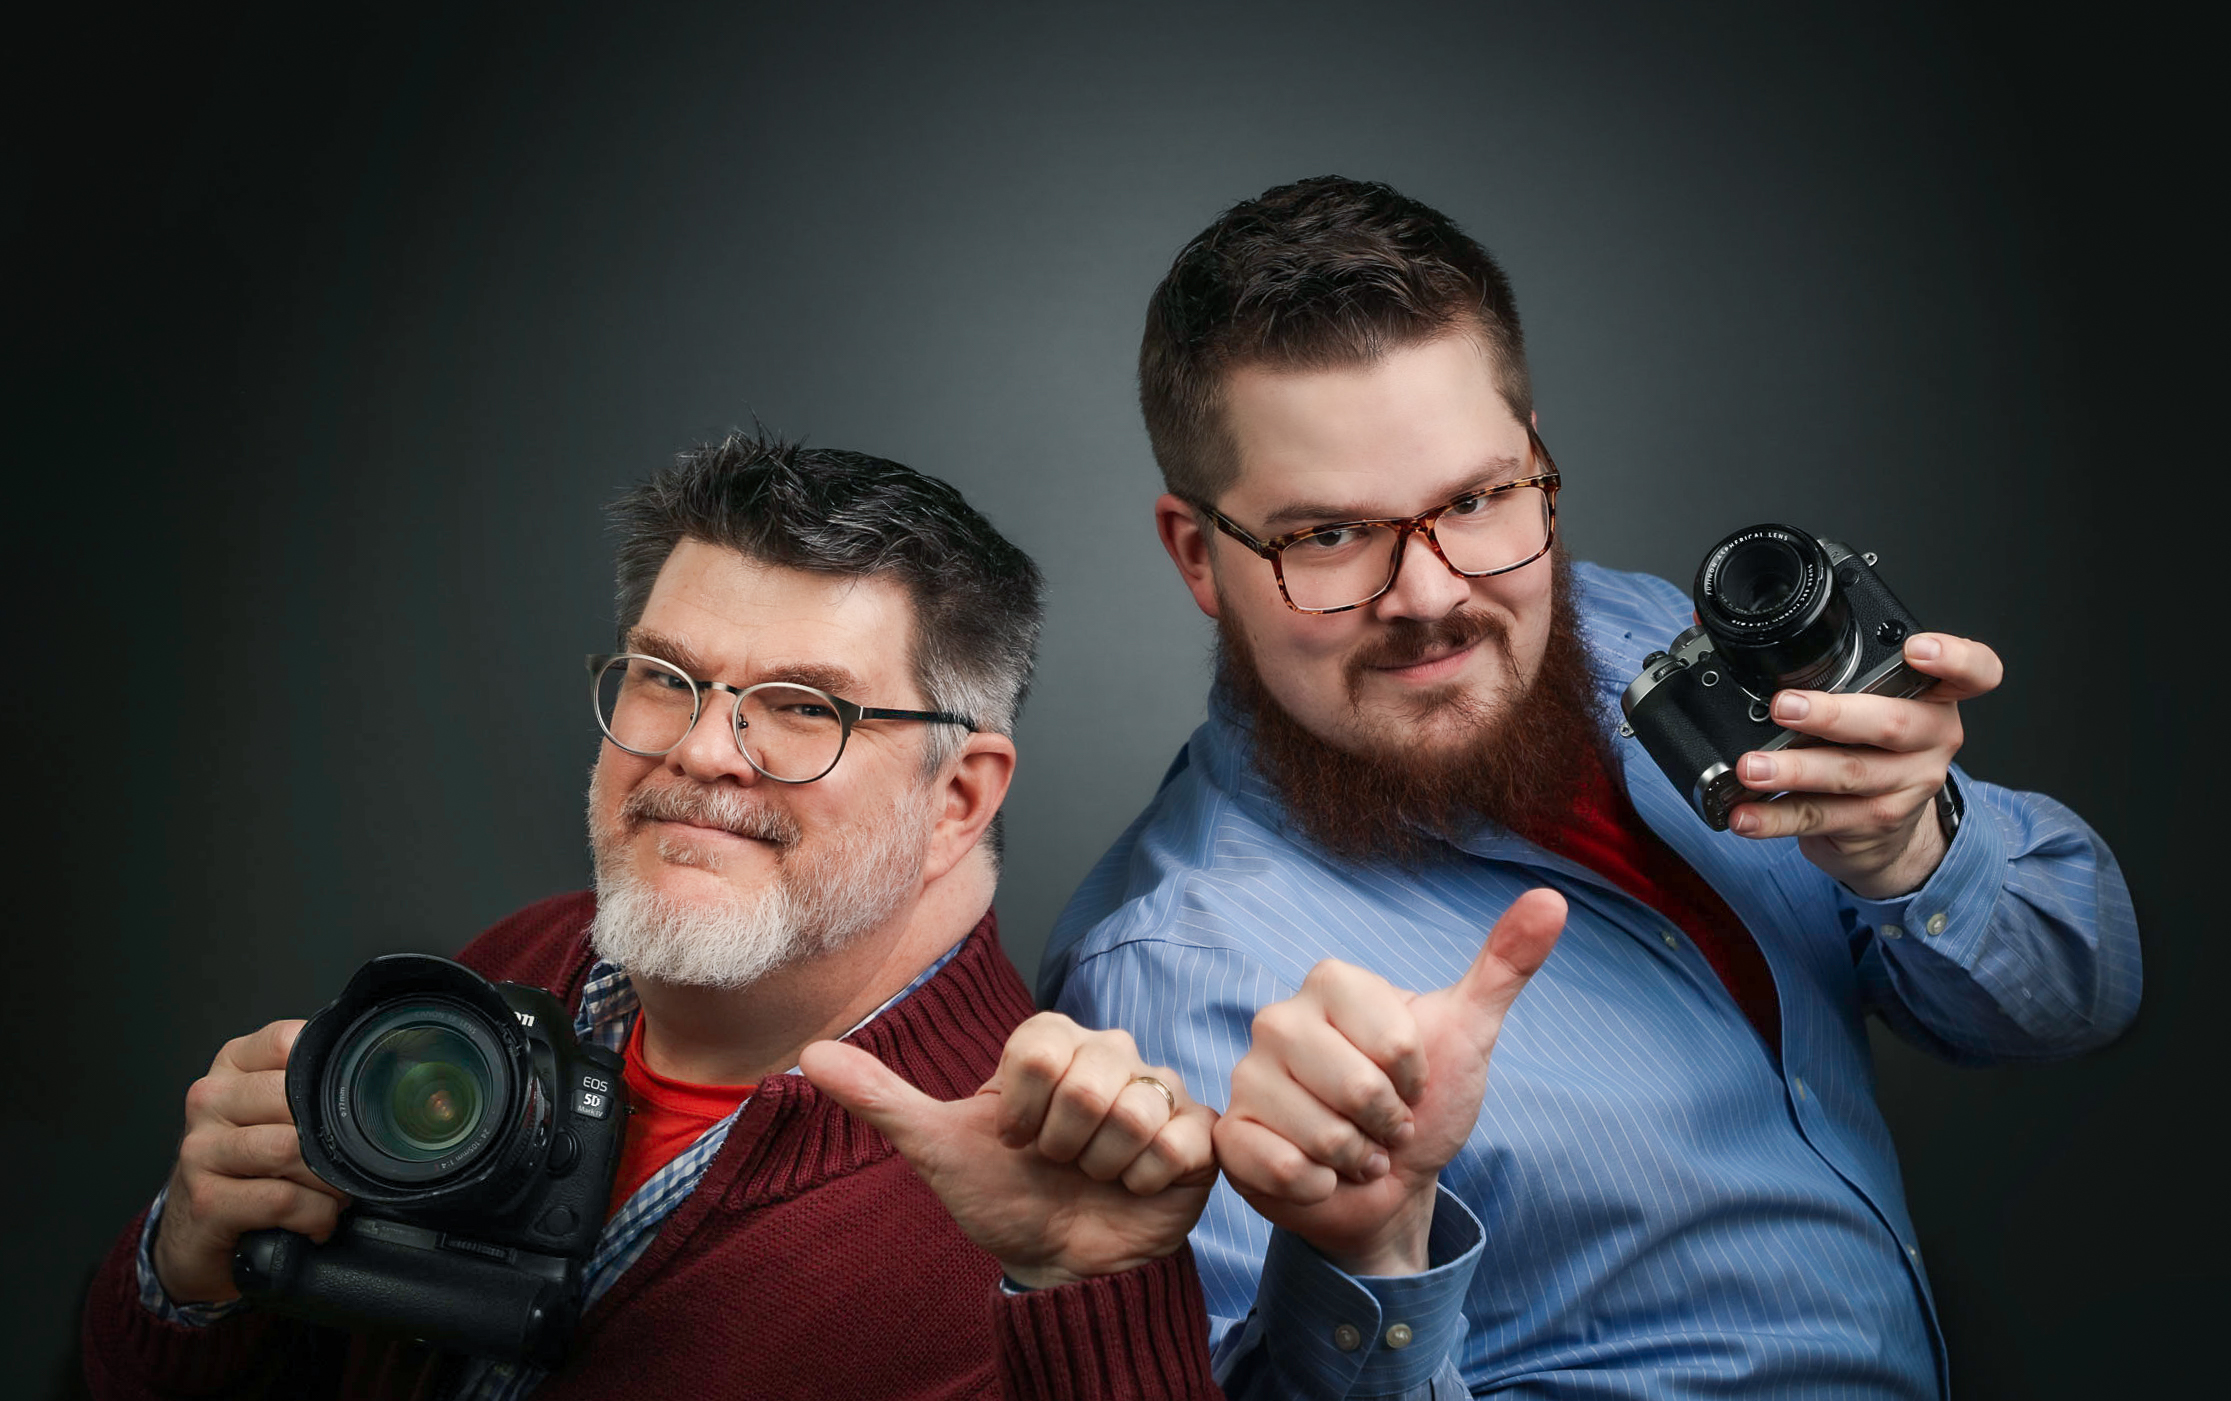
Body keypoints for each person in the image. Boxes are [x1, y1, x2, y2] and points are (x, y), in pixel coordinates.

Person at [1039, 176, 2141, 1399]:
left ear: (1533, 462)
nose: (1434, 595)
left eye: (1474, 497)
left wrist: (1913, 858)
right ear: (1199, 555)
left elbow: (2071, 1004)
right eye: (1327, 536)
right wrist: (1366, 1252)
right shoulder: (1170, 979)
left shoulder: (1635, 633)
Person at [83, 434, 1226, 1400]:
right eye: (663, 677)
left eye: (800, 708)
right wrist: (189, 1279)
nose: (697, 749)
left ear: (957, 798)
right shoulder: (512, 968)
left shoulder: (1022, 1226)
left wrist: (1091, 1300)